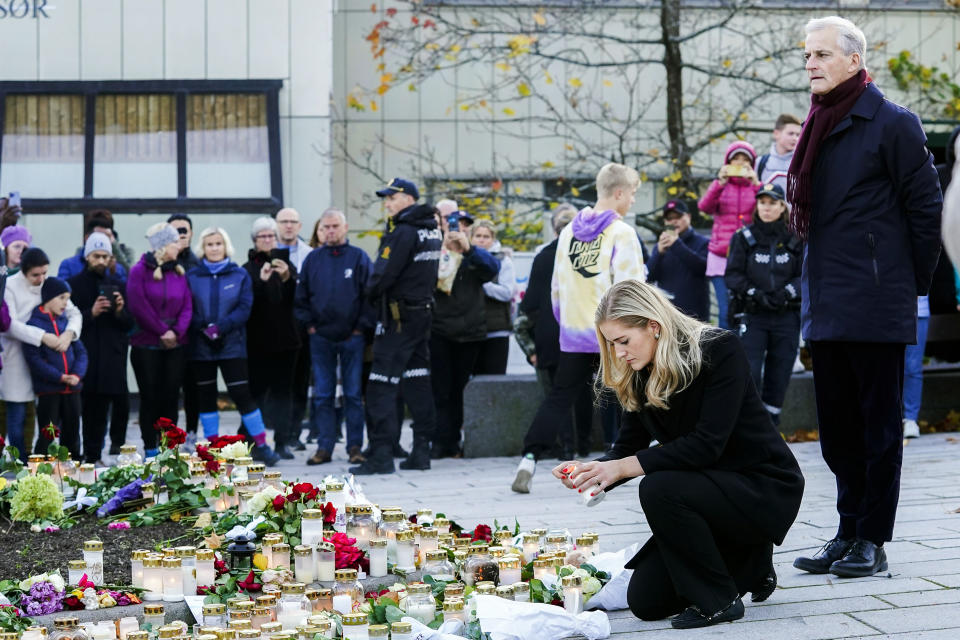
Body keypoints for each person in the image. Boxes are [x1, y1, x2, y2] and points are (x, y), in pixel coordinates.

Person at [554, 280, 803, 628]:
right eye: (611, 344)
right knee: (646, 602)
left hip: (760, 487)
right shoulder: (641, 370)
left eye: (623, 341)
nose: (618, 353)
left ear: (653, 326)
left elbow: (707, 444)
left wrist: (626, 467)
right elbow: (628, 445)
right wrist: (593, 473)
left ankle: (720, 601)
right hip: (708, 493)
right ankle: (752, 564)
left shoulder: (720, 349)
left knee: (658, 486)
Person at [789, 16, 942, 578]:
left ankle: (872, 541)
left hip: (876, 301)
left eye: (822, 55)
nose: (811, 64)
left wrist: (906, 285)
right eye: (807, 55)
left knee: (879, 433)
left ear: (854, 60)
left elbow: (927, 211)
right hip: (827, 300)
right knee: (838, 435)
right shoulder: (819, 121)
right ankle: (847, 530)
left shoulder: (893, 123)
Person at [512, 163, 645, 493]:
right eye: (632, 194)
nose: (632, 202)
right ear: (618, 193)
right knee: (629, 395)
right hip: (613, 333)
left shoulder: (568, 232)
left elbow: (556, 290)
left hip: (573, 332)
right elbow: (630, 289)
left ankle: (529, 458)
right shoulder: (621, 233)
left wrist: (568, 324)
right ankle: (622, 462)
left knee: (558, 398)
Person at [352, 178, 441, 475]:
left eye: (391, 198)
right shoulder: (431, 228)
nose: (387, 204)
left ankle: (380, 455)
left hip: (398, 319)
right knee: (418, 380)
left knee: (380, 385)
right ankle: (421, 451)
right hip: (422, 314)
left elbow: (382, 275)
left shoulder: (404, 231)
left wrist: (368, 295)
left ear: (407, 198)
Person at [187, 227, 280, 465]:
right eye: (209, 244)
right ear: (203, 248)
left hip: (232, 345)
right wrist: (205, 328)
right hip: (201, 346)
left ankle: (262, 445)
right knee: (206, 397)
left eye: (218, 243)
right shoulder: (193, 276)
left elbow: (244, 307)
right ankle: (214, 450)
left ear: (225, 246)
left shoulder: (239, 275)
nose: (214, 248)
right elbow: (188, 308)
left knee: (242, 395)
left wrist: (221, 328)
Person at [295, 208, 373, 466]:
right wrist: (311, 327)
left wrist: (360, 328)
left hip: (353, 337)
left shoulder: (359, 258)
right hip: (321, 337)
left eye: (335, 226)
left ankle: (354, 447)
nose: (330, 231)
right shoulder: (313, 259)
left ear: (345, 227)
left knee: (352, 394)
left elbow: (369, 297)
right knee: (323, 394)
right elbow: (301, 298)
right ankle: (324, 446)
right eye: (325, 227)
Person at [514, 203, 592, 457]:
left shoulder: (544, 256)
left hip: (551, 335)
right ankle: (585, 444)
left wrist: (531, 346)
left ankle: (565, 448)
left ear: (554, 229)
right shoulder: (587, 253)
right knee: (585, 393)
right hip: (583, 334)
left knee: (559, 395)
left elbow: (530, 305)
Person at [725, 184, 802, 426]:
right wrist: (755, 293)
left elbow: (805, 276)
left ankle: (772, 428)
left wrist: (786, 293)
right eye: (763, 202)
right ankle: (751, 428)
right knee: (750, 373)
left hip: (786, 315)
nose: (767, 207)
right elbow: (733, 275)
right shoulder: (743, 238)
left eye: (772, 203)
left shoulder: (796, 238)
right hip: (753, 315)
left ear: (782, 207)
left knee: (779, 375)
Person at [1, 249, 82, 461]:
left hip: (52, 355)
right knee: (18, 413)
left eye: (44, 273)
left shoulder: (47, 284)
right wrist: (43, 336)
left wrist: (68, 333)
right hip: (17, 356)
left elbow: (73, 312)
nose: (41, 279)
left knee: (50, 419)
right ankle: (21, 461)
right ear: (24, 272)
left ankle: (44, 459)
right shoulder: (10, 286)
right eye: (36, 275)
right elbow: (9, 324)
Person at [430, 214, 500, 458]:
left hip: (469, 334)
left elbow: (492, 268)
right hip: (439, 331)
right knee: (440, 390)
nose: (454, 232)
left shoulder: (474, 256)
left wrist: (468, 249)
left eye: (460, 228)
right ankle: (441, 441)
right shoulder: (436, 251)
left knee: (460, 389)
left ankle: (456, 440)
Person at [127, 223, 193, 458]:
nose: (179, 245)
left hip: (175, 344)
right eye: (175, 242)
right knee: (150, 397)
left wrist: (176, 332)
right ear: (163, 246)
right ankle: (151, 448)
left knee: (171, 396)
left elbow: (187, 304)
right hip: (147, 344)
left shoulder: (178, 270)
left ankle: (170, 447)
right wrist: (162, 331)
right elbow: (138, 305)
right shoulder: (139, 271)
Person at [67, 233, 133, 462]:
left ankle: (100, 452)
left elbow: (128, 324)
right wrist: (91, 313)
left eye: (106, 256)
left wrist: (119, 311)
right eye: (97, 256)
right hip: (87, 356)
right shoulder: (74, 285)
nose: (102, 261)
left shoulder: (118, 285)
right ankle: (89, 454)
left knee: (107, 406)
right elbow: (70, 322)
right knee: (88, 408)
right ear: (87, 256)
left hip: (112, 356)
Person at [242, 217, 301, 459]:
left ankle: (282, 442)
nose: (267, 240)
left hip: (286, 339)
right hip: (257, 341)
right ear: (255, 241)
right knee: (255, 392)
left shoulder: (286, 265)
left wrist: (286, 278)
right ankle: (253, 441)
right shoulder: (247, 269)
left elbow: (296, 299)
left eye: (271, 236)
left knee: (283, 393)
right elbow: (248, 303)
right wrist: (262, 282)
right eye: (262, 237)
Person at [698, 141, 762, 330]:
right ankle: (727, 354)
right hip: (720, 255)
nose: (740, 163)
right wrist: (719, 184)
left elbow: (769, 212)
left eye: (745, 160)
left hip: (748, 256)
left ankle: (747, 351)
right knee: (726, 310)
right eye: (736, 159)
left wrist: (757, 184)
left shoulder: (755, 187)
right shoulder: (720, 185)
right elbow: (704, 207)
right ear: (728, 162)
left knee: (748, 308)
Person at [23, 277, 88, 460]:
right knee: (47, 433)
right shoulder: (34, 325)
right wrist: (60, 377)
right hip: (49, 391)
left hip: (72, 389)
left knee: (73, 432)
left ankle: (72, 467)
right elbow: (35, 360)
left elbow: (81, 352)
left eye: (67, 298)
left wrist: (76, 375)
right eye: (61, 298)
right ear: (48, 298)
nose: (65, 303)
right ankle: (39, 470)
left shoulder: (65, 324)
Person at [276, 207, 312, 450]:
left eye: (293, 222)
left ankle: (294, 433)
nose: (288, 226)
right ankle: (279, 431)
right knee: (279, 384)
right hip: (275, 328)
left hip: (302, 327)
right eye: (284, 221)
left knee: (300, 381)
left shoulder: (311, 255)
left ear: (300, 226)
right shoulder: (268, 253)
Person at [645, 200, 709, 321]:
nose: (674, 221)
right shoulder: (661, 246)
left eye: (678, 217)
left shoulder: (702, 242)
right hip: (667, 315)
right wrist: (658, 254)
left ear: (688, 217)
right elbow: (648, 277)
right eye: (669, 218)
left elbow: (702, 268)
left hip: (695, 316)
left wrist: (676, 244)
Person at [470, 220, 517, 375]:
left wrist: (483, 284)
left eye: (486, 236)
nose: (482, 240)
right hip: (471, 331)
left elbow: (507, 293)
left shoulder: (503, 261)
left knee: (495, 380)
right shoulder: (466, 259)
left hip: (497, 330)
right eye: (478, 236)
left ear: (493, 239)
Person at [57, 213, 129, 282]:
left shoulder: (118, 268)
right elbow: (62, 291)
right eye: (98, 235)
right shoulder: (69, 265)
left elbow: (126, 286)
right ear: (87, 238)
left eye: (107, 236)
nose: (102, 240)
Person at [756, 114, 803, 191]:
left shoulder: (801, 164)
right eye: (790, 134)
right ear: (776, 134)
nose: (795, 138)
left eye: (798, 135)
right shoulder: (760, 163)